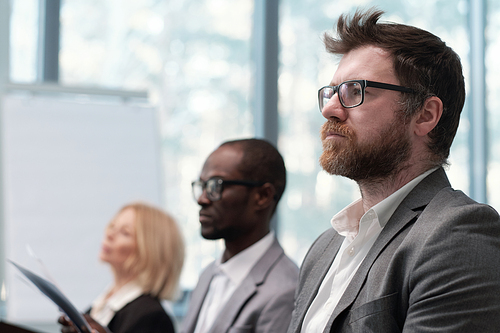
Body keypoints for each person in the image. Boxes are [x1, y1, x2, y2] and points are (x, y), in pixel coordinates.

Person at [287, 9, 500, 333]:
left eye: (355, 91)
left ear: (425, 115)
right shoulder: (325, 247)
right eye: (331, 92)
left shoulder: (458, 235)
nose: (331, 108)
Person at [181, 138, 299, 333]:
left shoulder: (285, 290)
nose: (202, 199)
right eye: (202, 186)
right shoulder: (208, 274)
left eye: (215, 185)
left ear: (262, 196)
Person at [59, 202, 185, 333]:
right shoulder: (102, 304)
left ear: (149, 251)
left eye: (125, 233)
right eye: (112, 226)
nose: (109, 234)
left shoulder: (153, 318)